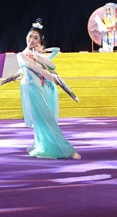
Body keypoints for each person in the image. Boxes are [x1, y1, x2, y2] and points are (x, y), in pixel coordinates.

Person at [15, 19, 80, 159]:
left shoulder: (38, 55)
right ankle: (67, 150)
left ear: (39, 41)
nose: (32, 40)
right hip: (35, 91)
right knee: (45, 120)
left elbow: (52, 66)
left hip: (45, 89)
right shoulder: (21, 55)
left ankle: (43, 146)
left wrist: (39, 56)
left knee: (45, 120)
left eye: (35, 38)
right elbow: (35, 69)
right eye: (30, 36)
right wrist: (50, 76)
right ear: (26, 37)